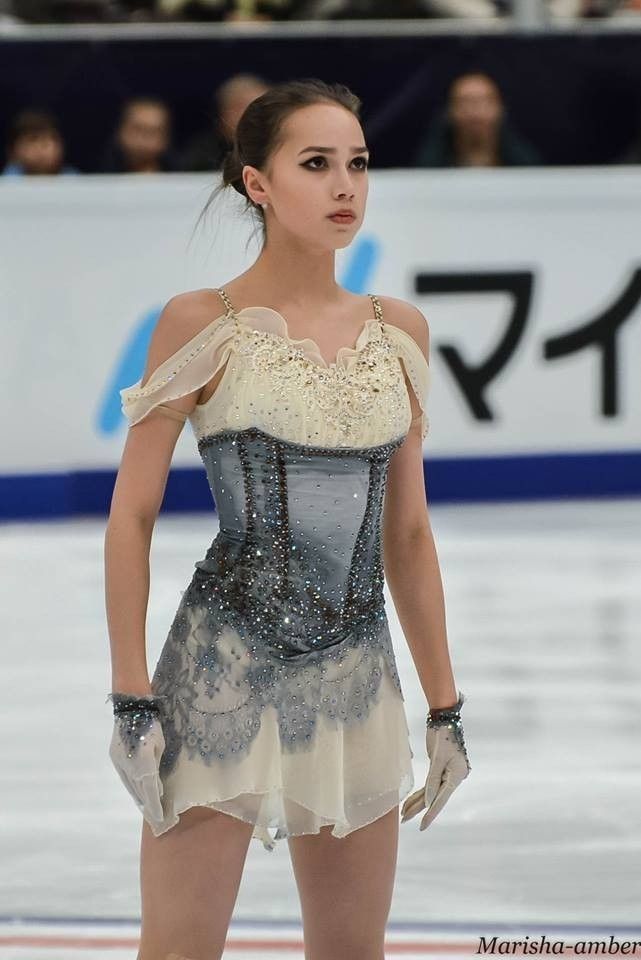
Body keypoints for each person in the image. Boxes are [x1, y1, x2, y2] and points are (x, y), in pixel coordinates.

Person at [104, 77, 471, 960]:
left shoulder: (399, 331)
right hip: (218, 675)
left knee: (352, 950)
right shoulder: (206, 324)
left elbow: (408, 536)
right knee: (179, 949)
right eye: (315, 164)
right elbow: (132, 517)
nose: (345, 185)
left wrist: (445, 706)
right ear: (256, 184)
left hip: (354, 680)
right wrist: (129, 696)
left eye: (357, 163)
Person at [414, 71, 542, 168]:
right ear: (450, 112)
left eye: (484, 101)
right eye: (465, 102)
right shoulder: (429, 170)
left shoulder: (526, 167)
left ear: (499, 109)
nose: (475, 112)